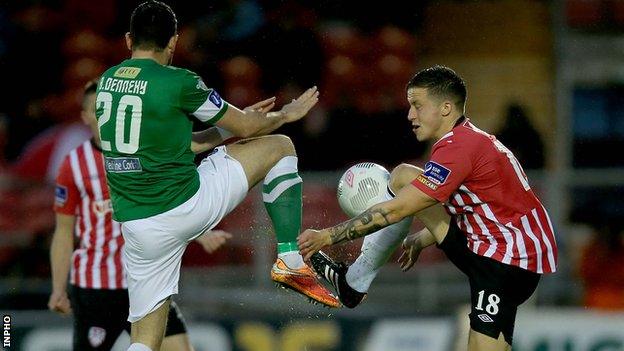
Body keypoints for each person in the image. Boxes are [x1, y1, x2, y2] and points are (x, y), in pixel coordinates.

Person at [96, 2, 339, 350]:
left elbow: (185, 146)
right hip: (185, 204)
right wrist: (283, 114)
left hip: (138, 228)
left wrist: (232, 131)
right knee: (280, 147)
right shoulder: (178, 82)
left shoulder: (107, 81)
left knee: (145, 341)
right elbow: (248, 126)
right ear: (174, 41)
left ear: (128, 39)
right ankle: (290, 259)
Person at [298, 65, 558, 351]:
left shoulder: (458, 149)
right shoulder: (469, 139)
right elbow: (481, 206)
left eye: (418, 106)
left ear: (446, 108)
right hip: (507, 250)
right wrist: (423, 238)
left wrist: (327, 236)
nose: (410, 115)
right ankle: (355, 281)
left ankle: (354, 282)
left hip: (503, 264)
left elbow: (395, 211)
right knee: (403, 176)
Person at [48, 79, 233, 351]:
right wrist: (57, 288)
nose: (104, 117)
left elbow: (166, 203)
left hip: (146, 276)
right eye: (96, 112)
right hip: (97, 288)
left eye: (106, 109)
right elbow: (63, 232)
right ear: (85, 117)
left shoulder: (143, 150)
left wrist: (200, 233)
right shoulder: (74, 164)